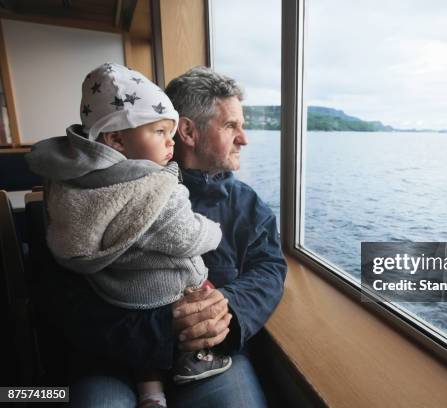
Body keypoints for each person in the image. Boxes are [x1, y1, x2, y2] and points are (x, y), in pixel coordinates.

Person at [37, 66, 287, 407]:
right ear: (187, 131)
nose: (244, 138)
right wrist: (159, 328)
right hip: (111, 356)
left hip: (210, 351)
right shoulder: (85, 194)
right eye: (231, 126)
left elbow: (270, 267)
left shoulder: (248, 205)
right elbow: (61, 295)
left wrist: (227, 309)